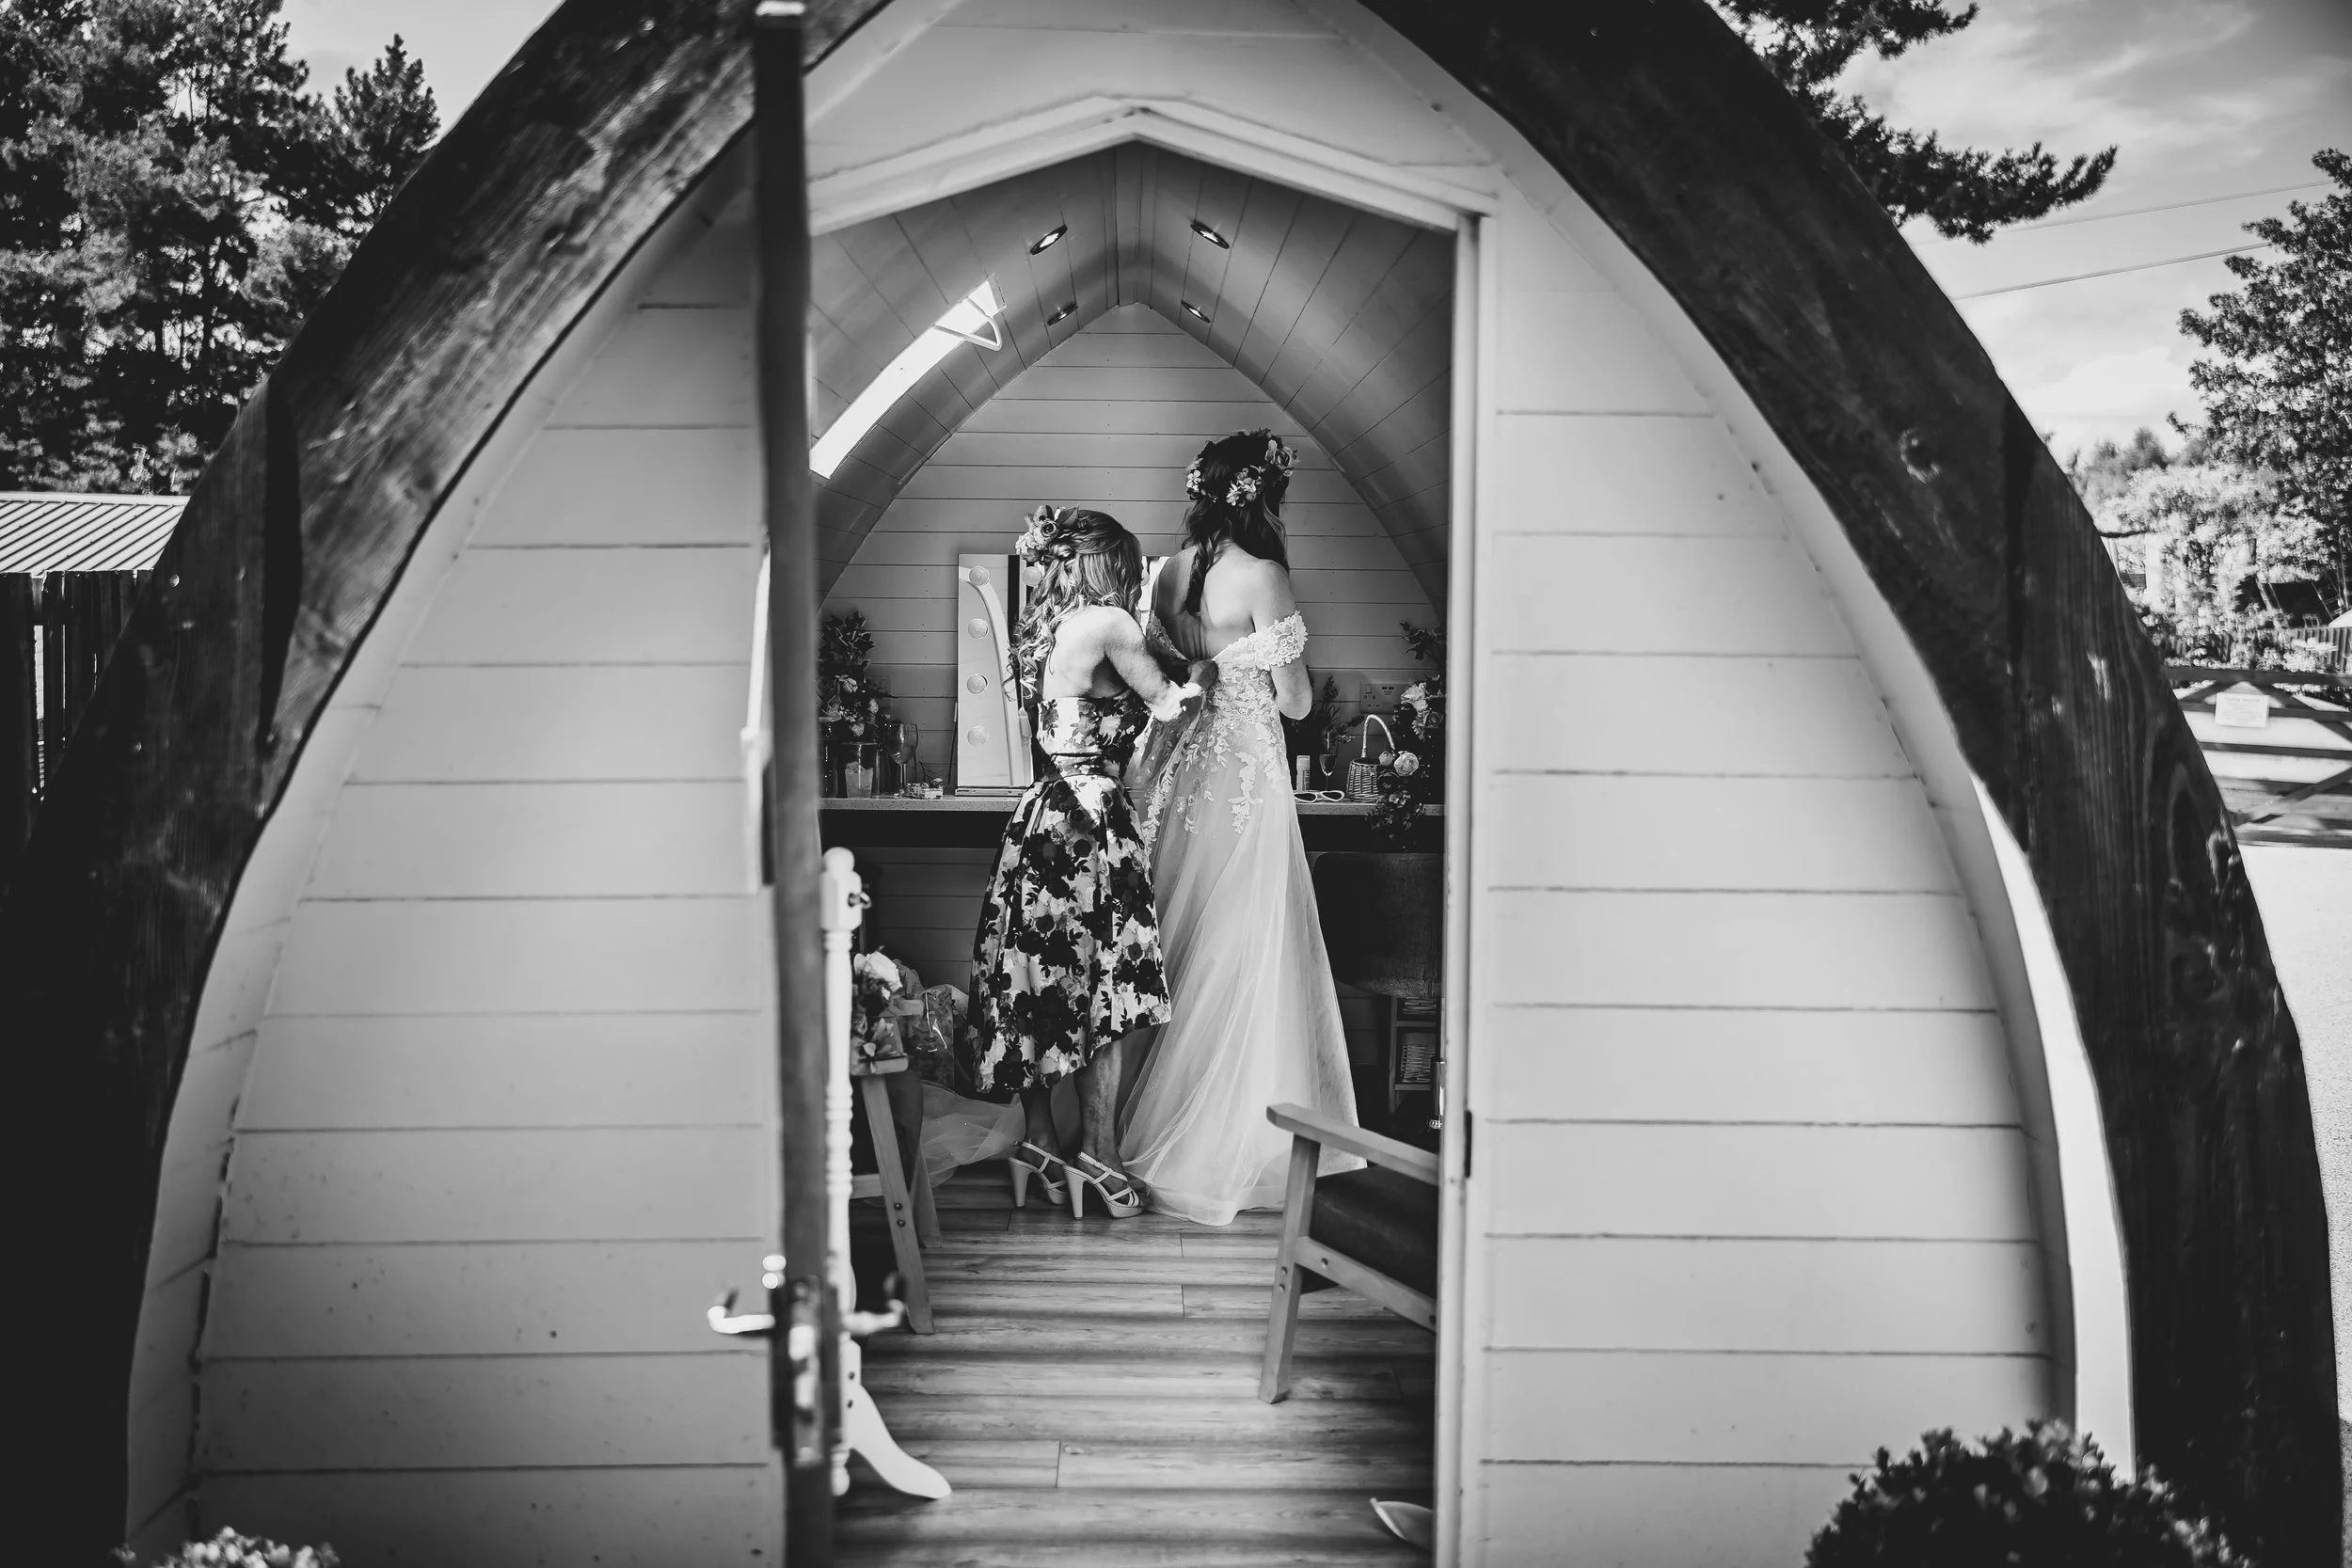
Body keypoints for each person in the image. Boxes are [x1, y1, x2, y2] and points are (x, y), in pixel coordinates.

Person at [1120, 431, 1365, 1225]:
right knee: (1250, 947)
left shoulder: (1164, 575)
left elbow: (1166, 679)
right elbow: (1295, 703)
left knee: (1183, 941)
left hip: (1185, 781)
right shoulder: (1264, 576)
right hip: (1249, 788)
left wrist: (1216, 667)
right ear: (1261, 497)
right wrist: (1256, 662)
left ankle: (1130, 1125)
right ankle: (1229, 1140)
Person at [957, 505, 1205, 1220]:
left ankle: (1038, 1143)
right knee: (1108, 990)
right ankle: (1099, 1153)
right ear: (1110, 567)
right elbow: (1169, 705)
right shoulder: (1111, 625)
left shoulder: (1041, 630)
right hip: (1092, 823)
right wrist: (1215, 670)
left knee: (1035, 984)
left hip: (1040, 814)